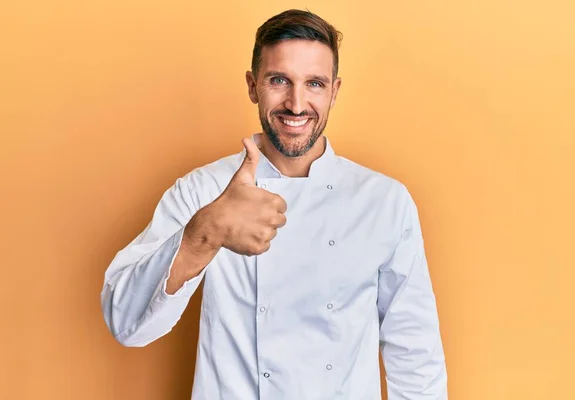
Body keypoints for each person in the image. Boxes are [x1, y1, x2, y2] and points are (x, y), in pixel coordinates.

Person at [101, 9, 447, 400]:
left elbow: (415, 355)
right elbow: (126, 323)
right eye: (279, 80)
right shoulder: (204, 189)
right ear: (253, 86)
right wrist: (206, 231)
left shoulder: (384, 201)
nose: (296, 104)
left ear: (334, 90)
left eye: (314, 84)